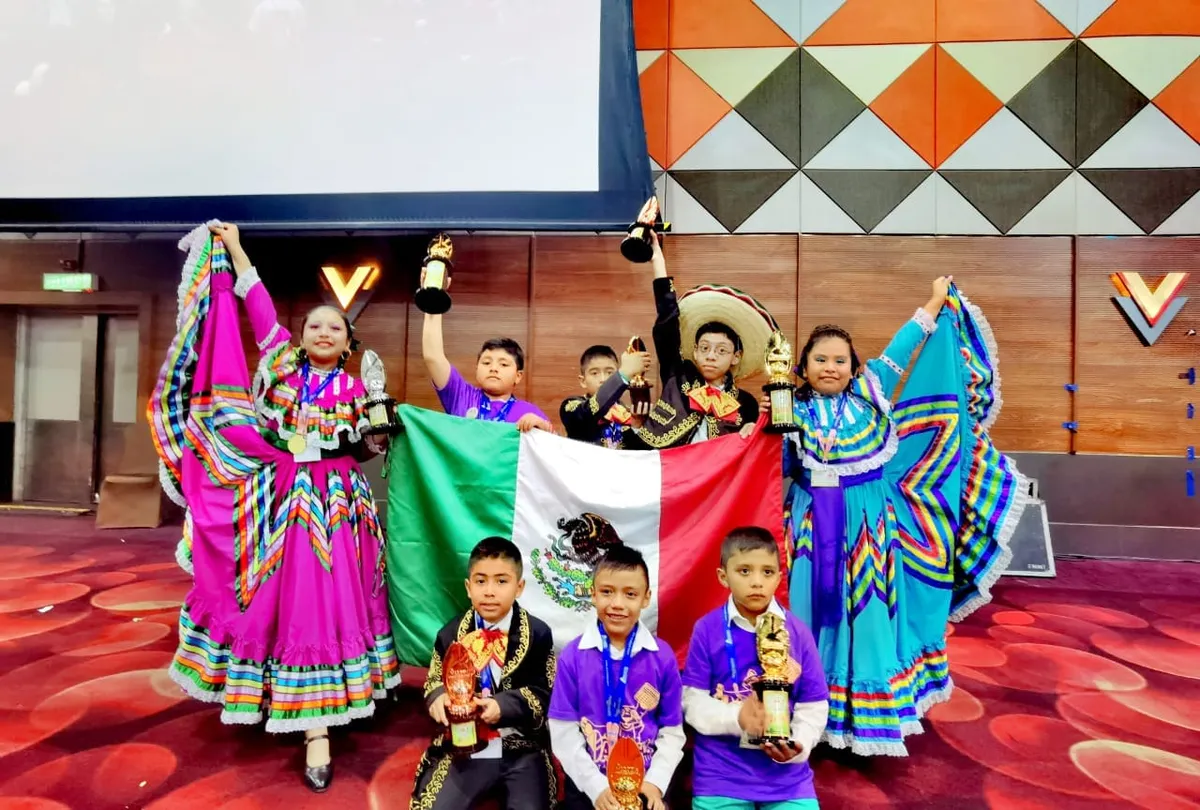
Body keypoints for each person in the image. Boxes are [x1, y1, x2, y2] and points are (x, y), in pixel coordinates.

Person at [152, 222, 398, 793]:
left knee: (331, 598)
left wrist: (375, 437)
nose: (323, 332)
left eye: (334, 326)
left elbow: (365, 449)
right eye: (313, 325)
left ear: (347, 339)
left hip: (342, 506)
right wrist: (236, 248)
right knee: (279, 597)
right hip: (281, 499)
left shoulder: (362, 391)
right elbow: (257, 306)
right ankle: (286, 697)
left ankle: (318, 721)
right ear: (300, 335)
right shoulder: (284, 368)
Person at [777, 277, 1028, 756]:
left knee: (867, 615)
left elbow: (902, 346)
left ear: (854, 368)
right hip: (809, 530)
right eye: (820, 360)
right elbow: (773, 469)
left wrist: (935, 301)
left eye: (839, 360)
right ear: (802, 369)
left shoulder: (874, 392)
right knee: (806, 613)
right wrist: (764, 426)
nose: (830, 367)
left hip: (868, 533)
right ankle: (803, 707)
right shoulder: (793, 412)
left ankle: (861, 719)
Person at [682, 527, 829, 810]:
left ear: (778, 577)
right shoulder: (707, 629)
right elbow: (692, 701)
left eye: (768, 572)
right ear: (723, 576)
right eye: (745, 571)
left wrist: (798, 744)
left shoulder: (797, 632)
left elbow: (814, 704)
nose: (757, 582)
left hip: (787, 779)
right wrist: (737, 717)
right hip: (721, 776)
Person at [410, 536, 557, 810]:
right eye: (481, 581)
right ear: (468, 587)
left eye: (501, 581)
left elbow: (545, 692)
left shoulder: (538, 634)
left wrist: (503, 706)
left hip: (522, 747)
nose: (490, 591)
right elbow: (433, 680)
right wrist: (439, 700)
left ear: (519, 587)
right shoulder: (450, 634)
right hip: (465, 743)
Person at [549, 545, 685, 810]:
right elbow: (562, 730)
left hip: (645, 788)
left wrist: (654, 784)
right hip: (590, 791)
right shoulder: (574, 656)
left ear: (646, 598)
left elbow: (672, 732)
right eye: (607, 592)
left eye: (630, 594)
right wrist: (596, 788)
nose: (617, 604)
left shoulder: (662, 657)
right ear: (593, 594)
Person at [631, 233, 770, 449]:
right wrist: (658, 261)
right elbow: (666, 328)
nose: (711, 355)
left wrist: (755, 427)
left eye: (721, 350)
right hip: (673, 472)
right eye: (705, 348)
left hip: (717, 479)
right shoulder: (678, 377)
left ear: (736, 357)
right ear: (695, 352)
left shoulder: (747, 403)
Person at [420, 270, 552, 432]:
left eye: (503, 364)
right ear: (477, 369)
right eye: (486, 362)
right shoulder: (461, 395)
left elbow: (554, 449)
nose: (493, 368)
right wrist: (433, 299)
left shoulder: (528, 412)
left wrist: (543, 428)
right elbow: (433, 356)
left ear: (518, 376)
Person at [560, 344, 652, 448]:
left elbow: (633, 453)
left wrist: (637, 425)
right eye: (594, 373)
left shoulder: (626, 413)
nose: (603, 379)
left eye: (610, 372)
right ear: (583, 381)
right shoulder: (571, 406)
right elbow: (589, 412)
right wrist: (624, 373)